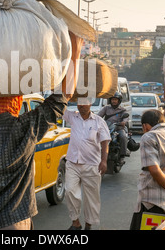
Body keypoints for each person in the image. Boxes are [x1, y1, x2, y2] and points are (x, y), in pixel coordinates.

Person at [0, 32, 83, 230]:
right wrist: (75, 51)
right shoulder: (25, 127)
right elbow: (64, 96)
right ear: (16, 102)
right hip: (14, 222)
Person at [63, 97, 111, 230]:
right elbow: (60, 108)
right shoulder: (73, 117)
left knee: (92, 198)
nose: (81, 106)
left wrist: (104, 161)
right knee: (70, 191)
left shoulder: (99, 122)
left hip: (91, 165)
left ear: (90, 104)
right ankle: (75, 222)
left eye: (84, 104)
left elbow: (105, 142)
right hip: (73, 163)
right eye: (79, 104)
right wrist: (65, 95)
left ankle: (89, 225)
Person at [97, 92, 129, 159]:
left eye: (115, 100)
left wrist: (123, 122)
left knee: (123, 136)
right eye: (112, 100)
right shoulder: (106, 108)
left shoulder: (122, 110)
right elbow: (99, 116)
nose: (114, 101)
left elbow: (126, 117)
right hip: (107, 128)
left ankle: (123, 153)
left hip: (118, 128)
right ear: (110, 100)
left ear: (119, 101)